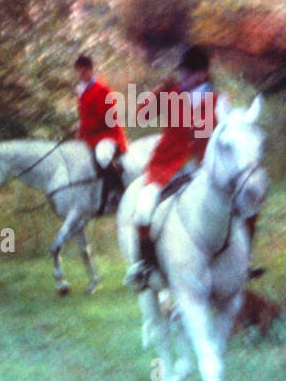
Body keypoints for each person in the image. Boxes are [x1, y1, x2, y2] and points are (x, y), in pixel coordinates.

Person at [125, 45, 220, 289]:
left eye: (189, 73)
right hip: (165, 168)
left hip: (203, 170)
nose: (183, 77)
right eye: (183, 73)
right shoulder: (172, 94)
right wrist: (158, 91)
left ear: (203, 74)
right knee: (143, 212)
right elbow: (141, 116)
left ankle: (239, 264)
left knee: (235, 207)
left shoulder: (218, 101)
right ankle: (146, 266)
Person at [75, 54, 128, 210]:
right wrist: (79, 131)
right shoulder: (81, 90)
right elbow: (85, 116)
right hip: (91, 136)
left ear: (91, 70)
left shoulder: (102, 90)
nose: (81, 75)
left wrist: (82, 127)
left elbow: (105, 119)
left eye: (84, 71)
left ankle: (119, 190)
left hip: (108, 135)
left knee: (102, 157)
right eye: (79, 72)